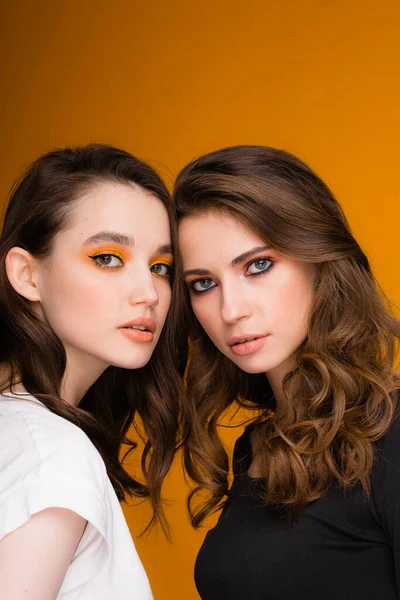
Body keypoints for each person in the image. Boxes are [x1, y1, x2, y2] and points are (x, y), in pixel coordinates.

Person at [174, 145, 400, 599]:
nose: (231, 310)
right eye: (204, 284)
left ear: (317, 259)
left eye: (258, 266)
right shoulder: (253, 449)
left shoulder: (391, 431)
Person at [0, 144, 184, 599]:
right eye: (107, 258)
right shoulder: (53, 455)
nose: (149, 293)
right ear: (26, 274)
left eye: (161, 267)